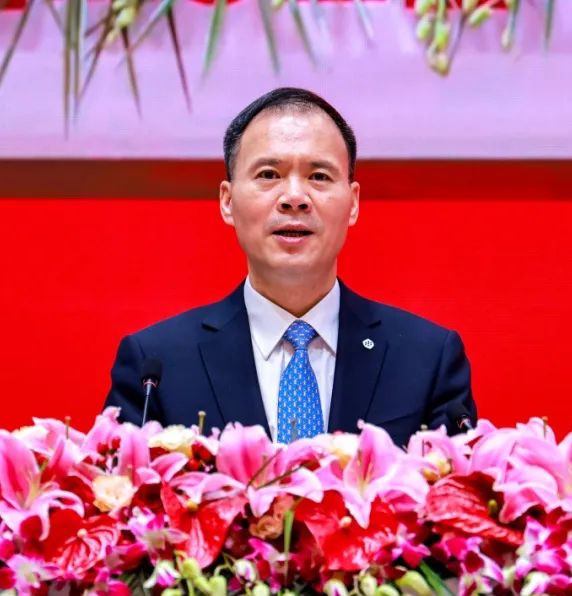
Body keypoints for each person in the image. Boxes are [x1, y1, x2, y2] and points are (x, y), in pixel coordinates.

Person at [104, 87, 476, 446]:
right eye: (269, 174)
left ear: (353, 203)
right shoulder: (157, 365)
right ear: (227, 201)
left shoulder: (427, 359)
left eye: (319, 176)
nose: (295, 198)